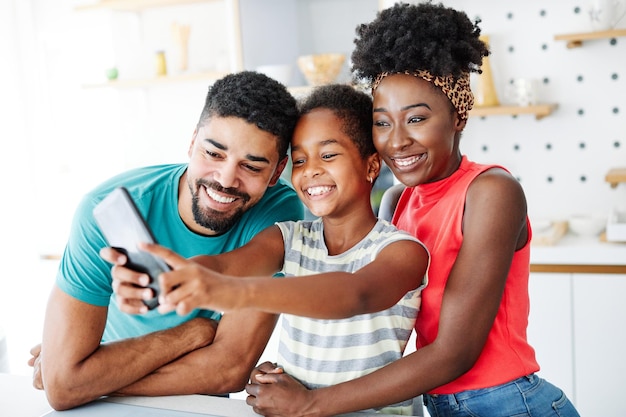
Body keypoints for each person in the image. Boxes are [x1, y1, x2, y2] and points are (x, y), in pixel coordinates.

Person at [237, 3, 579, 417]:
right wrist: (295, 374)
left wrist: (312, 403)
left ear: (458, 116)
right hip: (438, 404)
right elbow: (367, 318)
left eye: (416, 119)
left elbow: (455, 352)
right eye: (382, 123)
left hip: (508, 402)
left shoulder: (491, 191)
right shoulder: (398, 200)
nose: (396, 142)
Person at [111, 84, 430, 415]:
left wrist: (234, 293)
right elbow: (226, 266)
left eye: (328, 155)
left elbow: (354, 294)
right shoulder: (288, 239)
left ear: (371, 166)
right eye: (300, 160)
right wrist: (170, 276)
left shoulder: (402, 251)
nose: (311, 171)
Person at [28, 71, 304, 411]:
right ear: (192, 142)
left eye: (251, 166)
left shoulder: (280, 215)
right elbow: (63, 388)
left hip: (196, 405)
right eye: (214, 154)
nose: (226, 180)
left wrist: (88, 380)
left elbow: (227, 371)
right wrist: (195, 334)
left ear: (277, 172)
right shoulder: (103, 207)